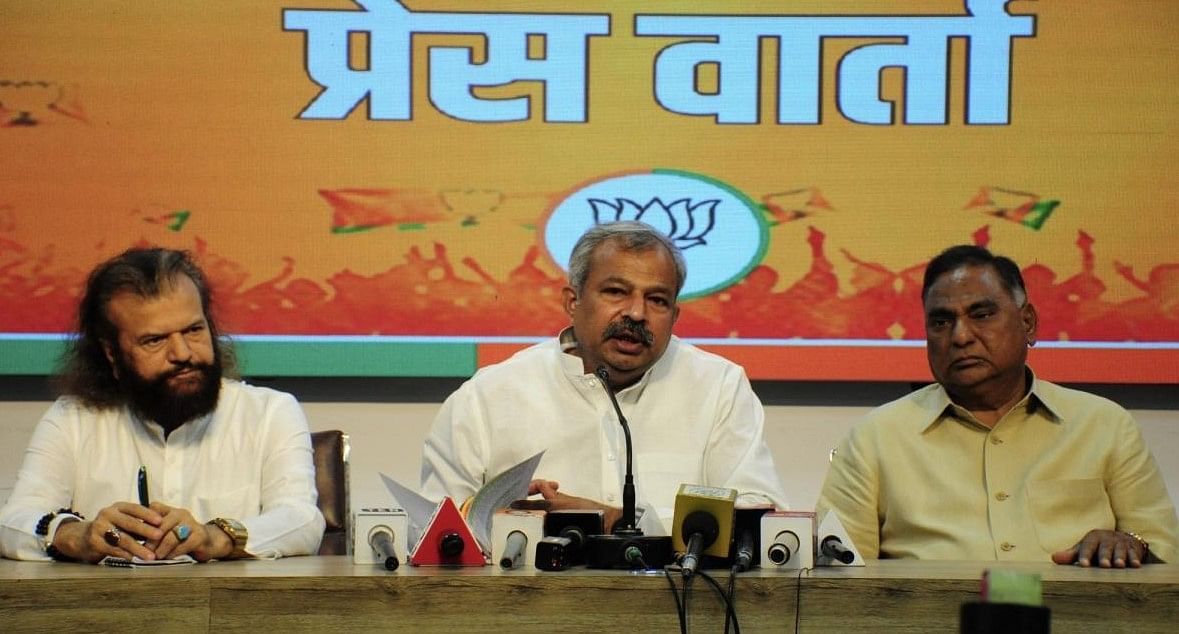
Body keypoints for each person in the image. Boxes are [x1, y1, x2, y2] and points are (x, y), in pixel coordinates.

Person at [817, 245, 1178, 567]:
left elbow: (1164, 545)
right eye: (941, 322)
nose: (959, 336)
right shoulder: (876, 438)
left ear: (1028, 323)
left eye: (982, 314)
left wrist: (1131, 544)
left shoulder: (1104, 424)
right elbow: (836, 570)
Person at [421, 221, 788, 534]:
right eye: (616, 292)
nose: (637, 313)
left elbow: (757, 519)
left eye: (657, 299)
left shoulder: (718, 387)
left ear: (675, 316)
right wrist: (498, 522)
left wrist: (613, 521)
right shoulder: (488, 397)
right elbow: (433, 533)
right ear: (572, 301)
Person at [0, 247, 324, 562]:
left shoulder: (270, 412)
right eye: (155, 340)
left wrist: (216, 537)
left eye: (194, 330)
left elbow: (302, 519)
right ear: (112, 353)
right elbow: (11, 522)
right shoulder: (73, 418)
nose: (182, 353)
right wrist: (76, 536)